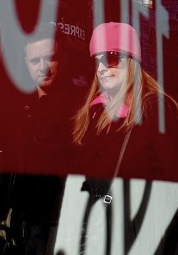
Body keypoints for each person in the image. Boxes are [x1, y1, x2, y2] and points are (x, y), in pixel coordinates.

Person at [72, 22, 171, 181]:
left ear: (132, 61)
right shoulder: (91, 113)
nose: (102, 68)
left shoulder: (155, 109)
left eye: (111, 57)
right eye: (97, 61)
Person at [12, 32, 78, 255]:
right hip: (24, 220)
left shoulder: (78, 106)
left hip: (58, 219)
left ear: (63, 58)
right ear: (26, 64)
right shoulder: (20, 106)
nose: (43, 67)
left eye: (50, 58)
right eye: (34, 60)